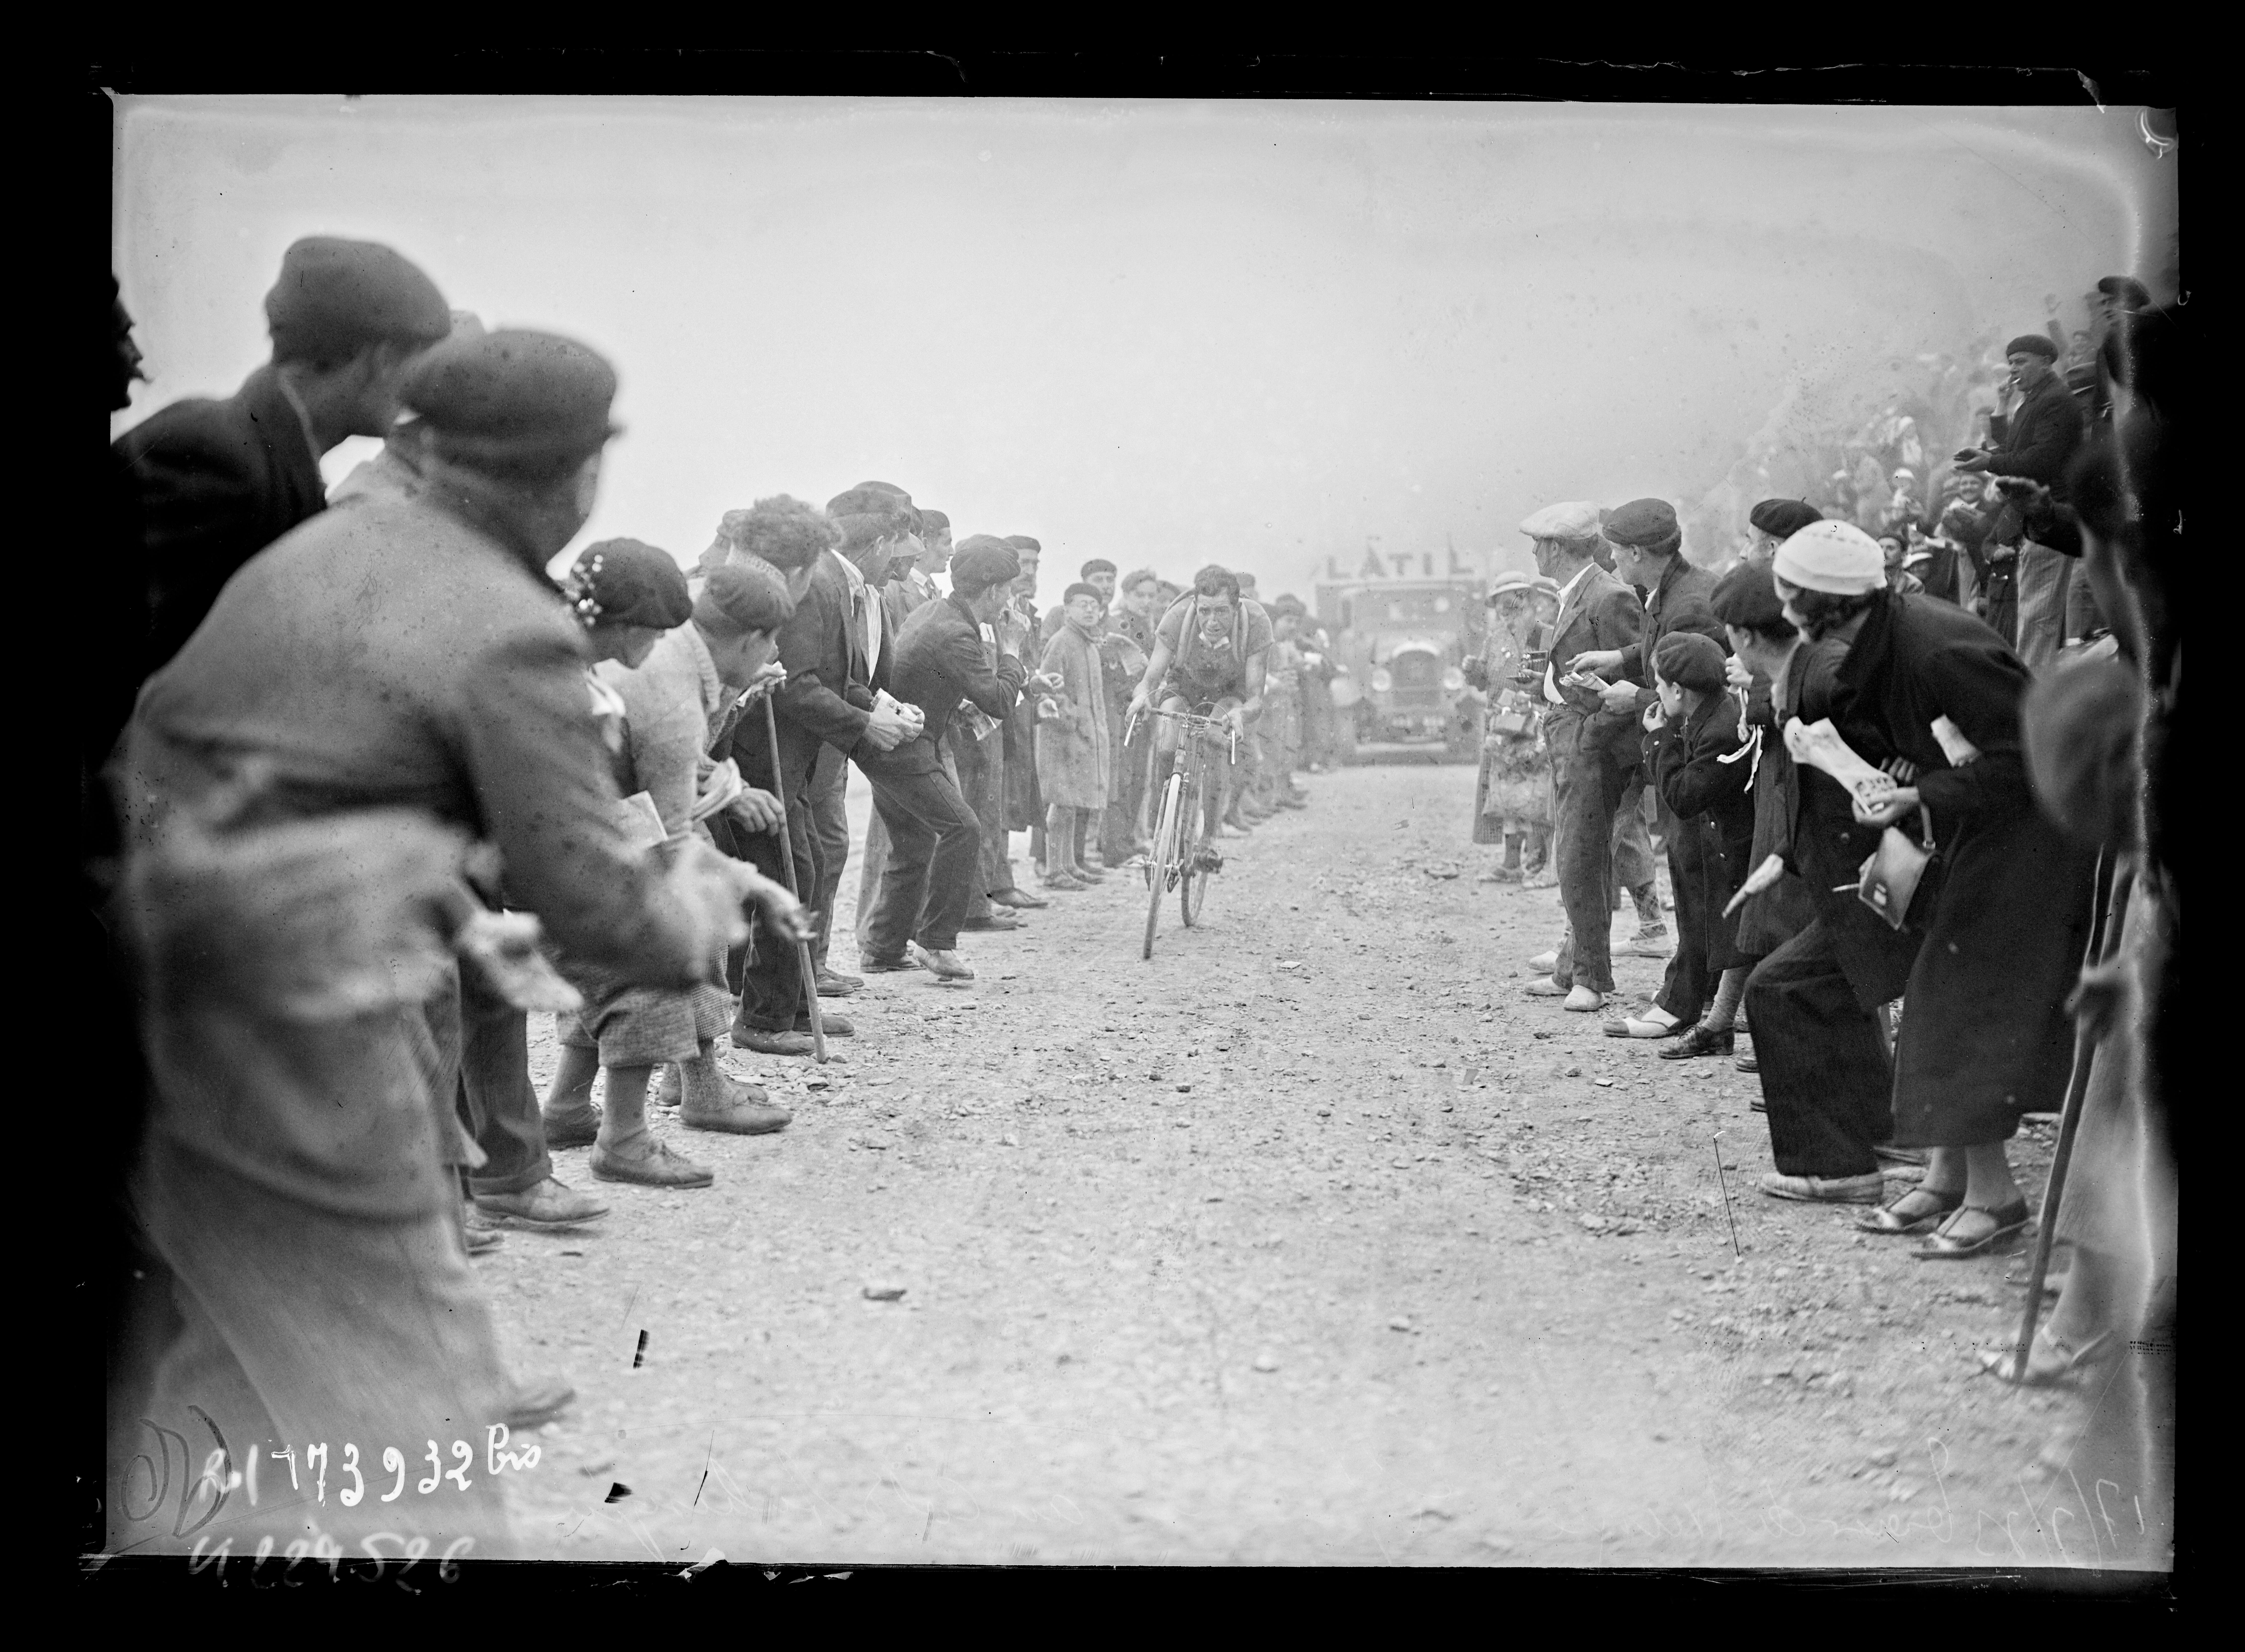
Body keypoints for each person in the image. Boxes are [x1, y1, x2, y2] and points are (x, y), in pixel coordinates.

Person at [108, 328, 800, 1558]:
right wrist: (701, 905)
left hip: (151, 960)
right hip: (280, 1002)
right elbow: (595, 897)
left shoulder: (336, 544)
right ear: (573, 476)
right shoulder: (503, 620)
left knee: (221, 1363)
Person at [1763, 522, 2099, 1255]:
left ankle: (1996, 1196)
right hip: (1982, 826)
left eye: (1788, 591)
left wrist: (1917, 798)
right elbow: (1937, 740)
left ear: (1822, 601)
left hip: (2034, 838)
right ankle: (1946, 1175)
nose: (1779, 603)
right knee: (1931, 992)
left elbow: (2031, 760)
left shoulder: (1932, 644)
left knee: (1960, 1003)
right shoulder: (1878, 638)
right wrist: (1898, 774)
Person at [542, 550, 799, 1188]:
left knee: (600, 961)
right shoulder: (670, 685)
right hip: (598, 831)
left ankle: (568, 1106)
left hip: (585, 825)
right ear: (751, 638)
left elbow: (680, 773)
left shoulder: (682, 653)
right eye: (769, 645)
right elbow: (672, 830)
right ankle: (625, 1138)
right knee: (657, 957)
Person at [117, 237, 453, 680]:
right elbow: (126, 669)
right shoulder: (219, 459)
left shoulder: (263, 458)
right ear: (382, 359)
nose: (425, 395)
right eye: (423, 367)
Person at [727, 489, 922, 1053]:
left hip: (791, 762)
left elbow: (835, 679)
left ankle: (784, 1009)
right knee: (788, 880)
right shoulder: (821, 585)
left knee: (802, 873)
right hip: (764, 758)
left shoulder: (838, 583)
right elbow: (798, 684)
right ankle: (763, 1020)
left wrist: (875, 710)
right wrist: (863, 727)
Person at [1566, 497, 1725, 1030]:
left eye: (1615, 551)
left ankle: (1681, 1006)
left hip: (1696, 755)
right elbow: (1662, 649)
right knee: (1692, 875)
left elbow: (1692, 691)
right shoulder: (1678, 588)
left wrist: (1629, 699)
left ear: (1637, 552)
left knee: (1695, 877)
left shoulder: (1690, 604)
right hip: (1688, 749)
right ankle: (1704, 1001)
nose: (1611, 561)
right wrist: (1620, 659)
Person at [861, 538, 1033, 980]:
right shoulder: (956, 631)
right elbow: (997, 699)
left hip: (892, 743)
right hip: (906, 746)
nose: (1009, 601)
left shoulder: (938, 613)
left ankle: (883, 946)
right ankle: (937, 945)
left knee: (914, 842)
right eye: (1008, 591)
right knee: (962, 827)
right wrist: (1012, 652)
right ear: (994, 591)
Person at [1516, 502, 1642, 1012]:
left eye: (1540, 543)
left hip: (1593, 745)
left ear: (1560, 549)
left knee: (1582, 857)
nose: (1533, 551)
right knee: (1574, 856)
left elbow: (1635, 678)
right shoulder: (1579, 593)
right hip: (1572, 734)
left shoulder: (1609, 598)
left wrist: (1591, 733)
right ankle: (1574, 968)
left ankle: (1591, 978)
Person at [1639, 632, 1756, 1058]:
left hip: (1743, 853)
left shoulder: (1719, 729)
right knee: (1742, 937)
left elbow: (1684, 797)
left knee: (1755, 939)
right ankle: (1718, 1026)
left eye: (1657, 681)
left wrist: (1657, 740)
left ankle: (1728, 1029)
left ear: (1677, 690)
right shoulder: (1710, 715)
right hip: (1730, 847)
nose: (1653, 690)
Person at [854, 508, 953, 963]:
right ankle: (871, 933)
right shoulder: (891, 590)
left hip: (911, 720)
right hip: (890, 725)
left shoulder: (928, 590)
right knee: (890, 837)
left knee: (913, 836)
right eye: (940, 540)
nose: (946, 551)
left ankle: (894, 935)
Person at [1955, 333, 2088, 672]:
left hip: (2051, 515)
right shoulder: (2033, 399)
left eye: (2022, 361)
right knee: (2033, 612)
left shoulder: (2054, 400)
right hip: (2037, 519)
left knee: (2037, 614)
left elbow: (2039, 460)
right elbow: (2012, 447)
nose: (2014, 369)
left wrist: (1988, 461)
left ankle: (2031, 696)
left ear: (2046, 362)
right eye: (2011, 362)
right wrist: (2001, 405)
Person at [1125, 565, 1272, 844]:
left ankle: (1209, 839)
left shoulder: (1256, 623)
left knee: (1216, 740)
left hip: (1230, 690)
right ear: (1195, 606)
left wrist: (1241, 714)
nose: (1213, 622)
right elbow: (1150, 680)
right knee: (1168, 744)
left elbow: (1255, 697)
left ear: (1236, 606)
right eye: (1205, 611)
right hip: (1184, 685)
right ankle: (1162, 828)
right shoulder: (1177, 618)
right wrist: (1140, 699)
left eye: (1222, 612)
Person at [1464, 572, 1551, 881]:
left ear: (1530, 602)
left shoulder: (1545, 634)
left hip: (1535, 727)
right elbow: (1484, 679)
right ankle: (1511, 862)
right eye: (1503, 606)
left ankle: (1537, 861)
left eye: (1515, 604)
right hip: (1502, 728)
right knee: (1504, 796)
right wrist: (1473, 672)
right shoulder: (1495, 638)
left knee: (1536, 795)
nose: (1509, 611)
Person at [1035, 582, 1116, 889]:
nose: (1090, 609)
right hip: (1062, 736)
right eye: (1083, 604)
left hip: (1082, 738)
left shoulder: (1089, 645)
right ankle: (1054, 871)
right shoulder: (1061, 641)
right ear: (1066, 609)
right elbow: (1049, 688)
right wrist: (1074, 719)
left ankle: (1068, 864)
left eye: (1095, 605)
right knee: (1061, 802)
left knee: (1072, 803)